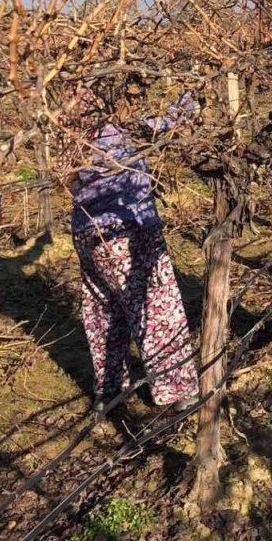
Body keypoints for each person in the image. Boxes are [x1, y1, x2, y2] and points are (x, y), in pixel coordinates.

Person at [69, 89, 200, 414]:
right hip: (128, 227)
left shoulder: (65, 121)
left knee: (104, 312)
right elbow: (161, 124)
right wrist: (192, 96)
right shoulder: (118, 119)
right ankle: (178, 391)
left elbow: (68, 178)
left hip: (87, 230)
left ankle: (111, 391)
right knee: (156, 307)